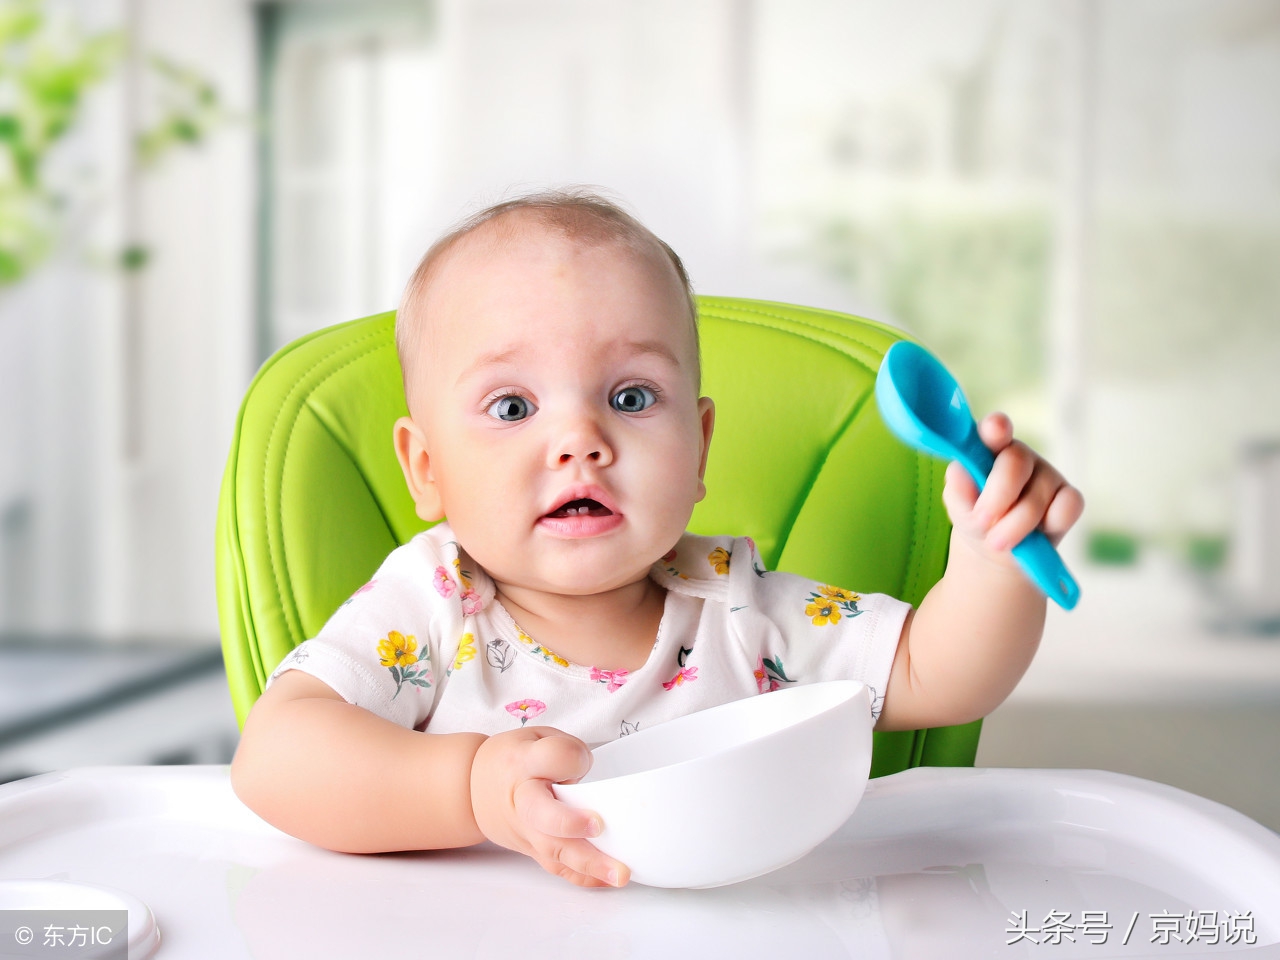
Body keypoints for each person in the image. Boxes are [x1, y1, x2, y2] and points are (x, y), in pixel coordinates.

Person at [230, 188, 1084, 889]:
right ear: (427, 469)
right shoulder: (428, 606)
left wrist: (991, 557)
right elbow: (275, 758)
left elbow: (936, 677)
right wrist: (468, 788)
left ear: (700, 446)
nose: (581, 440)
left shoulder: (737, 606)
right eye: (513, 407)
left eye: (632, 397)